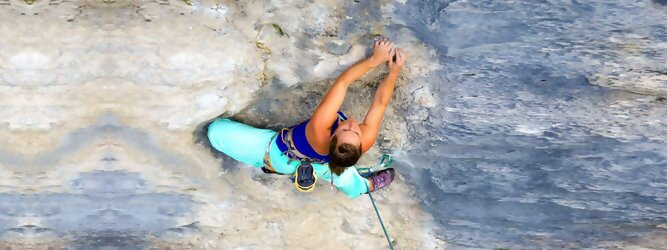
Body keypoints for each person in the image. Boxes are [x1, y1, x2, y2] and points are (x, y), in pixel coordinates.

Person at [207, 38, 407, 198]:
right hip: (328, 166)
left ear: (333, 136)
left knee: (216, 132)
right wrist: (393, 72)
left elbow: (343, 82)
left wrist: (374, 60)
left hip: (278, 155)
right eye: (354, 131)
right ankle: (363, 186)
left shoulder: (321, 128)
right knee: (343, 176)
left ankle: (356, 184)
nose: (354, 124)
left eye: (348, 129)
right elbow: (379, 103)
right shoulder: (362, 139)